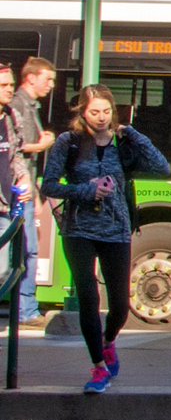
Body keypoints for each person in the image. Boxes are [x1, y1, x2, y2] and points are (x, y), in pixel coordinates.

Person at [39, 84, 170, 394]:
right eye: (94, 112)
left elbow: (162, 168)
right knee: (88, 296)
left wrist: (133, 134)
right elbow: (49, 186)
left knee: (121, 306)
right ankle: (98, 367)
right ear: (82, 113)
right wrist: (87, 190)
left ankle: (109, 341)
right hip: (79, 229)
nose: (101, 118)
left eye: (107, 112)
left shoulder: (122, 142)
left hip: (116, 230)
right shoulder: (69, 142)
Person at [10, 56, 56, 328]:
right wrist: (43, 145)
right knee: (27, 249)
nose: (51, 85)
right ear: (31, 78)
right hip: (19, 189)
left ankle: (26, 308)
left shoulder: (29, 105)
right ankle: (26, 310)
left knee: (28, 249)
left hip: (26, 187)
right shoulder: (18, 105)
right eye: (47, 79)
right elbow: (17, 146)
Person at [1, 63, 30, 289]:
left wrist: (24, 176)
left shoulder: (12, 116)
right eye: (3, 85)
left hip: (4, 205)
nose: (10, 89)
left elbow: (16, 154)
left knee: (3, 270)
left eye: (11, 84)